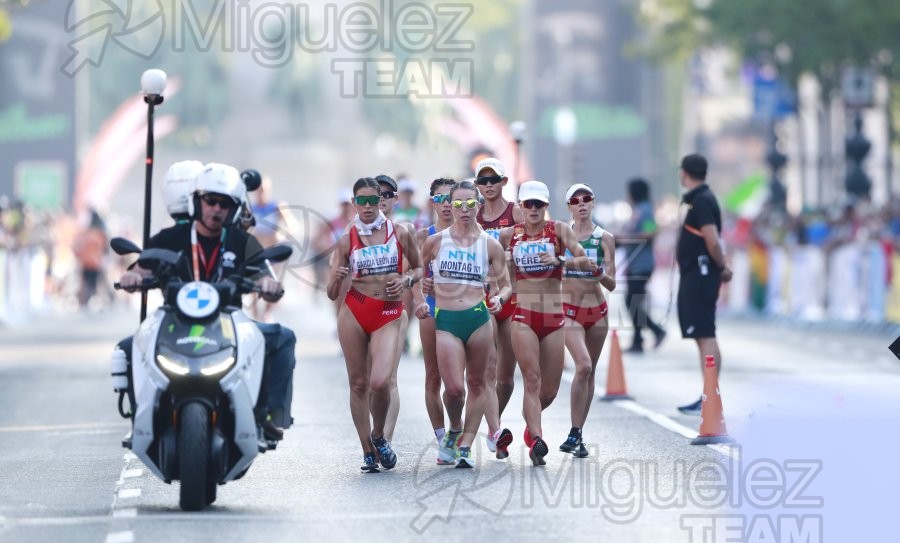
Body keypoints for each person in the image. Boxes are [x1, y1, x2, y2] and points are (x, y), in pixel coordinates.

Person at [117, 163, 296, 438]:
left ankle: (268, 414)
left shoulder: (241, 241)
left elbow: (263, 276)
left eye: (224, 204)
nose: (216, 209)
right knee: (129, 347)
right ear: (196, 202)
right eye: (210, 201)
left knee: (282, 337)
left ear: (234, 209)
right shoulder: (170, 238)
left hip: (230, 320)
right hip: (173, 320)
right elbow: (141, 269)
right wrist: (133, 278)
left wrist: (268, 285)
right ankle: (141, 418)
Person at [327, 177, 426, 473]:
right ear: (354, 203)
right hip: (355, 309)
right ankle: (367, 450)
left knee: (381, 382)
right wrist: (337, 276)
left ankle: (379, 435)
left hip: (389, 310)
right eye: (363, 201)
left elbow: (420, 267)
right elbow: (332, 292)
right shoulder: (347, 239)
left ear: (382, 200)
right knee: (358, 383)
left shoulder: (402, 232)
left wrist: (407, 279)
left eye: (375, 200)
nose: (369, 206)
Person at [498, 181, 597, 466]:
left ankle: (531, 425)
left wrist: (559, 260)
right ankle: (538, 440)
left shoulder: (559, 230)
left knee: (549, 390)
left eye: (538, 204)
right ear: (520, 206)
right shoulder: (508, 235)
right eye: (527, 204)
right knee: (531, 379)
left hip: (554, 316)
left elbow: (586, 262)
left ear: (546, 207)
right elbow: (488, 265)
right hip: (523, 314)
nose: (533, 209)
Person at [420, 180, 512, 467]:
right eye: (457, 204)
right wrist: (420, 297)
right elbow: (418, 274)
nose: (463, 210)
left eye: (470, 204)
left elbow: (506, 284)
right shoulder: (435, 242)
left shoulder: (490, 244)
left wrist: (499, 298)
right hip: (447, 320)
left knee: (478, 383)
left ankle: (466, 445)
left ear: (478, 206)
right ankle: (456, 428)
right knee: (454, 390)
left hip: (479, 319)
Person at [560, 183, 616, 458]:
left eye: (586, 199)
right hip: (569, 309)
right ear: (569, 207)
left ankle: (578, 433)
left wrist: (599, 275)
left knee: (590, 372)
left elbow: (613, 283)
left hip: (598, 311)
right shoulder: (562, 235)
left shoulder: (604, 238)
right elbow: (553, 267)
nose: (581, 204)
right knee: (581, 366)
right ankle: (573, 431)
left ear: (593, 203)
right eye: (575, 200)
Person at [674, 154, 733, 415]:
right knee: (701, 335)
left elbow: (712, 240)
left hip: (701, 274)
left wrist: (722, 266)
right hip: (695, 274)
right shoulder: (698, 200)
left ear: (684, 173)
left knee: (706, 334)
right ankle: (707, 394)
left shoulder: (702, 201)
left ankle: (710, 395)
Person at [473, 157, 522, 458]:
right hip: (481, 297)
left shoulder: (516, 211)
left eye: (494, 180)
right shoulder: (472, 214)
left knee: (505, 377)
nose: (489, 186)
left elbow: (535, 242)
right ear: (477, 185)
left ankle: (495, 425)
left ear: (504, 182)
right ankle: (495, 431)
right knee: (485, 372)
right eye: (483, 181)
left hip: (511, 295)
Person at [415, 178, 456, 461]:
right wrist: (419, 297)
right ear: (432, 202)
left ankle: (459, 433)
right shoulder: (424, 236)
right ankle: (443, 438)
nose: (445, 205)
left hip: (462, 309)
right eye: (439, 199)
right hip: (432, 308)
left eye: (449, 199)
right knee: (434, 377)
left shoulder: (471, 235)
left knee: (460, 382)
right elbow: (414, 275)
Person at [621, 177, 666, 353]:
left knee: (631, 301)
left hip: (642, 264)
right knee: (633, 302)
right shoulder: (637, 210)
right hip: (634, 263)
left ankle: (655, 331)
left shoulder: (646, 210)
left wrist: (626, 238)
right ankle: (638, 339)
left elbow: (651, 232)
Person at [74, 209, 108, 308]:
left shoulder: (86, 233)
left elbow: (78, 248)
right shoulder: (100, 234)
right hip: (96, 262)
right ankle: (91, 301)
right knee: (93, 283)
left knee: (86, 282)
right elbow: (105, 249)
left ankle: (85, 301)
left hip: (86, 262)